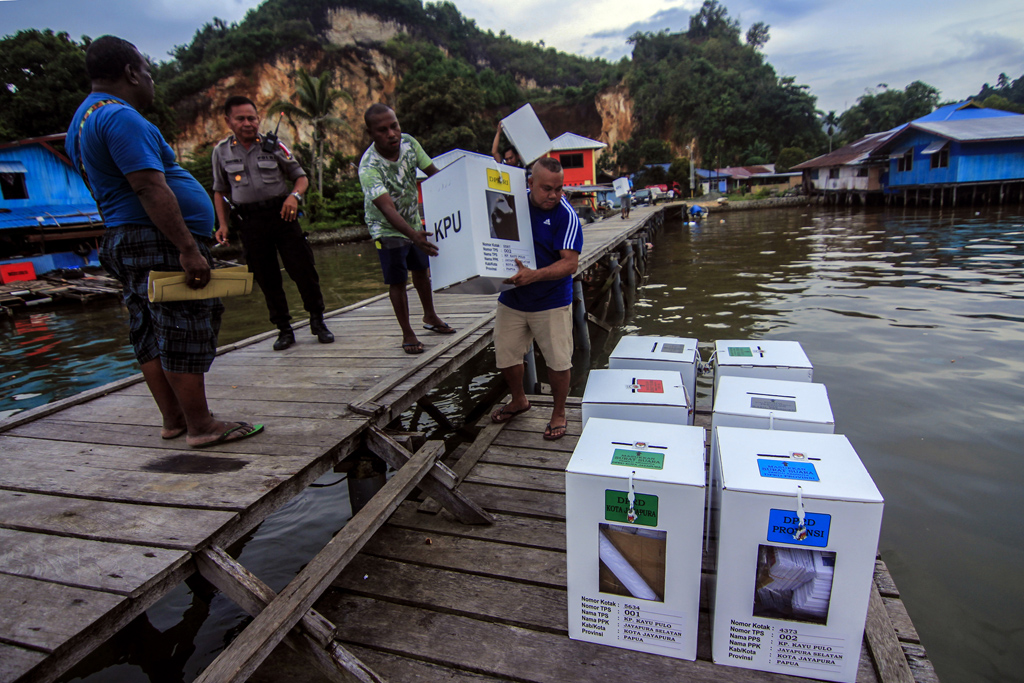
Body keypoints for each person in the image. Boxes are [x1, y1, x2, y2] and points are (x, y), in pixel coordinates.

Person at [67, 35, 263, 448]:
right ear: (131, 72)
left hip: (127, 237)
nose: (151, 81)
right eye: (149, 72)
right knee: (182, 324)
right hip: (156, 237)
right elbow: (149, 187)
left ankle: (174, 419)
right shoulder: (119, 118)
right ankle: (201, 424)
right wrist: (188, 248)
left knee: (150, 328)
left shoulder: (82, 121)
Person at [212, 95, 333, 351]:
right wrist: (222, 225)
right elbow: (220, 191)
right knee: (266, 278)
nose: (248, 123)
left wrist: (294, 196)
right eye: (241, 118)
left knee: (303, 269)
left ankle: (318, 321)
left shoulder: (275, 145)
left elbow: (300, 178)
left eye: (252, 118)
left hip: (283, 215)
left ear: (258, 118)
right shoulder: (221, 152)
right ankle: (284, 329)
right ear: (228, 121)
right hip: (250, 221)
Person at [490, 157, 582, 441]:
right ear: (529, 184)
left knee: (558, 361)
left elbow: (570, 264)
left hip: (551, 300)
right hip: (513, 298)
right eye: (546, 189)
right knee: (505, 354)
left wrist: (535, 275)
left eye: (559, 188)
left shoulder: (566, 215)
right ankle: (519, 399)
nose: (554, 195)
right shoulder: (511, 203)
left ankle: (559, 411)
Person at [358, 104, 456, 354]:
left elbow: (434, 174)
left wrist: (460, 194)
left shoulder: (410, 144)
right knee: (398, 280)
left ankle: (430, 316)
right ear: (371, 133)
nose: (391, 133)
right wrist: (412, 235)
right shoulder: (369, 167)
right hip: (386, 227)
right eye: (382, 130)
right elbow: (387, 209)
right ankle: (407, 332)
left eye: (394, 126)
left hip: (412, 220)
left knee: (421, 270)